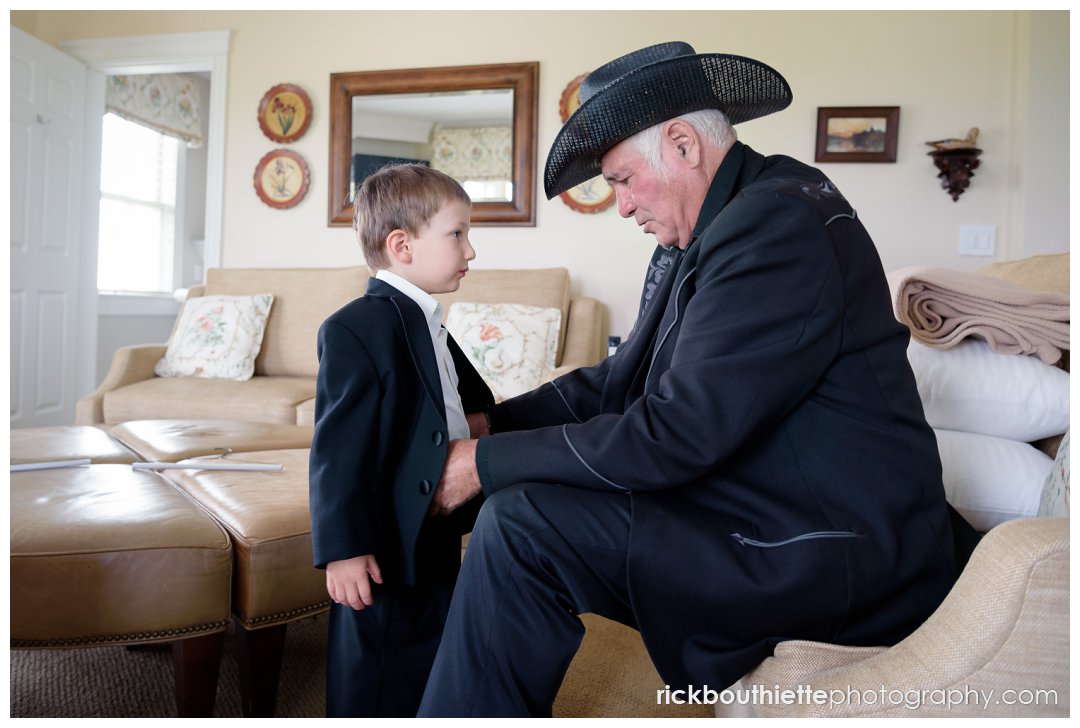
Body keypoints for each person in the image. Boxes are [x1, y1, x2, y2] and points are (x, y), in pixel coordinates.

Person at [417, 42, 980, 717]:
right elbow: (616, 384)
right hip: (764, 502)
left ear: (682, 144)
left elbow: (678, 432)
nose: (620, 206)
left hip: (836, 545)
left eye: (623, 179)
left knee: (522, 521)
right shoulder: (715, 227)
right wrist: (490, 428)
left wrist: (483, 463)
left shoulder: (779, 224)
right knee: (497, 492)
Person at [308, 164, 494, 717]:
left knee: (428, 639)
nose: (471, 250)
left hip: (431, 519)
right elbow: (338, 452)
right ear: (402, 245)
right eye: (457, 234)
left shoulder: (428, 319)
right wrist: (343, 549)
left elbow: (468, 401)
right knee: (378, 652)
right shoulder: (355, 328)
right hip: (382, 535)